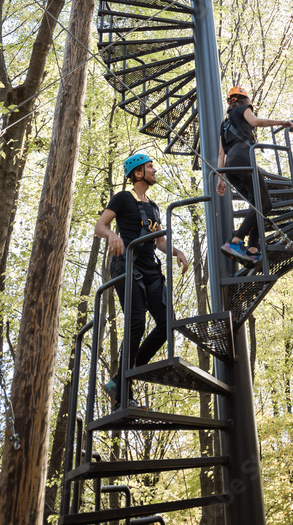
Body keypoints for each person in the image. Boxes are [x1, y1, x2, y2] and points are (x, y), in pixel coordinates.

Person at [95, 152, 188, 408]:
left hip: (150, 268)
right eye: (150, 167)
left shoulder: (154, 207)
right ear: (138, 173)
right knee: (136, 323)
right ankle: (123, 394)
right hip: (126, 265)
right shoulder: (123, 198)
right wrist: (112, 236)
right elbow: (100, 226)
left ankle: (119, 380)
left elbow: (159, 242)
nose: (154, 171)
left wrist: (177, 251)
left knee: (166, 324)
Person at [217, 86, 293, 266]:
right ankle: (236, 242)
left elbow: (221, 155)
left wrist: (220, 179)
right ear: (245, 100)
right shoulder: (243, 109)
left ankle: (252, 249)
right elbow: (255, 122)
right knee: (265, 203)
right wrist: (282, 122)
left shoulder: (224, 124)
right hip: (244, 159)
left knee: (258, 204)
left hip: (230, 167)